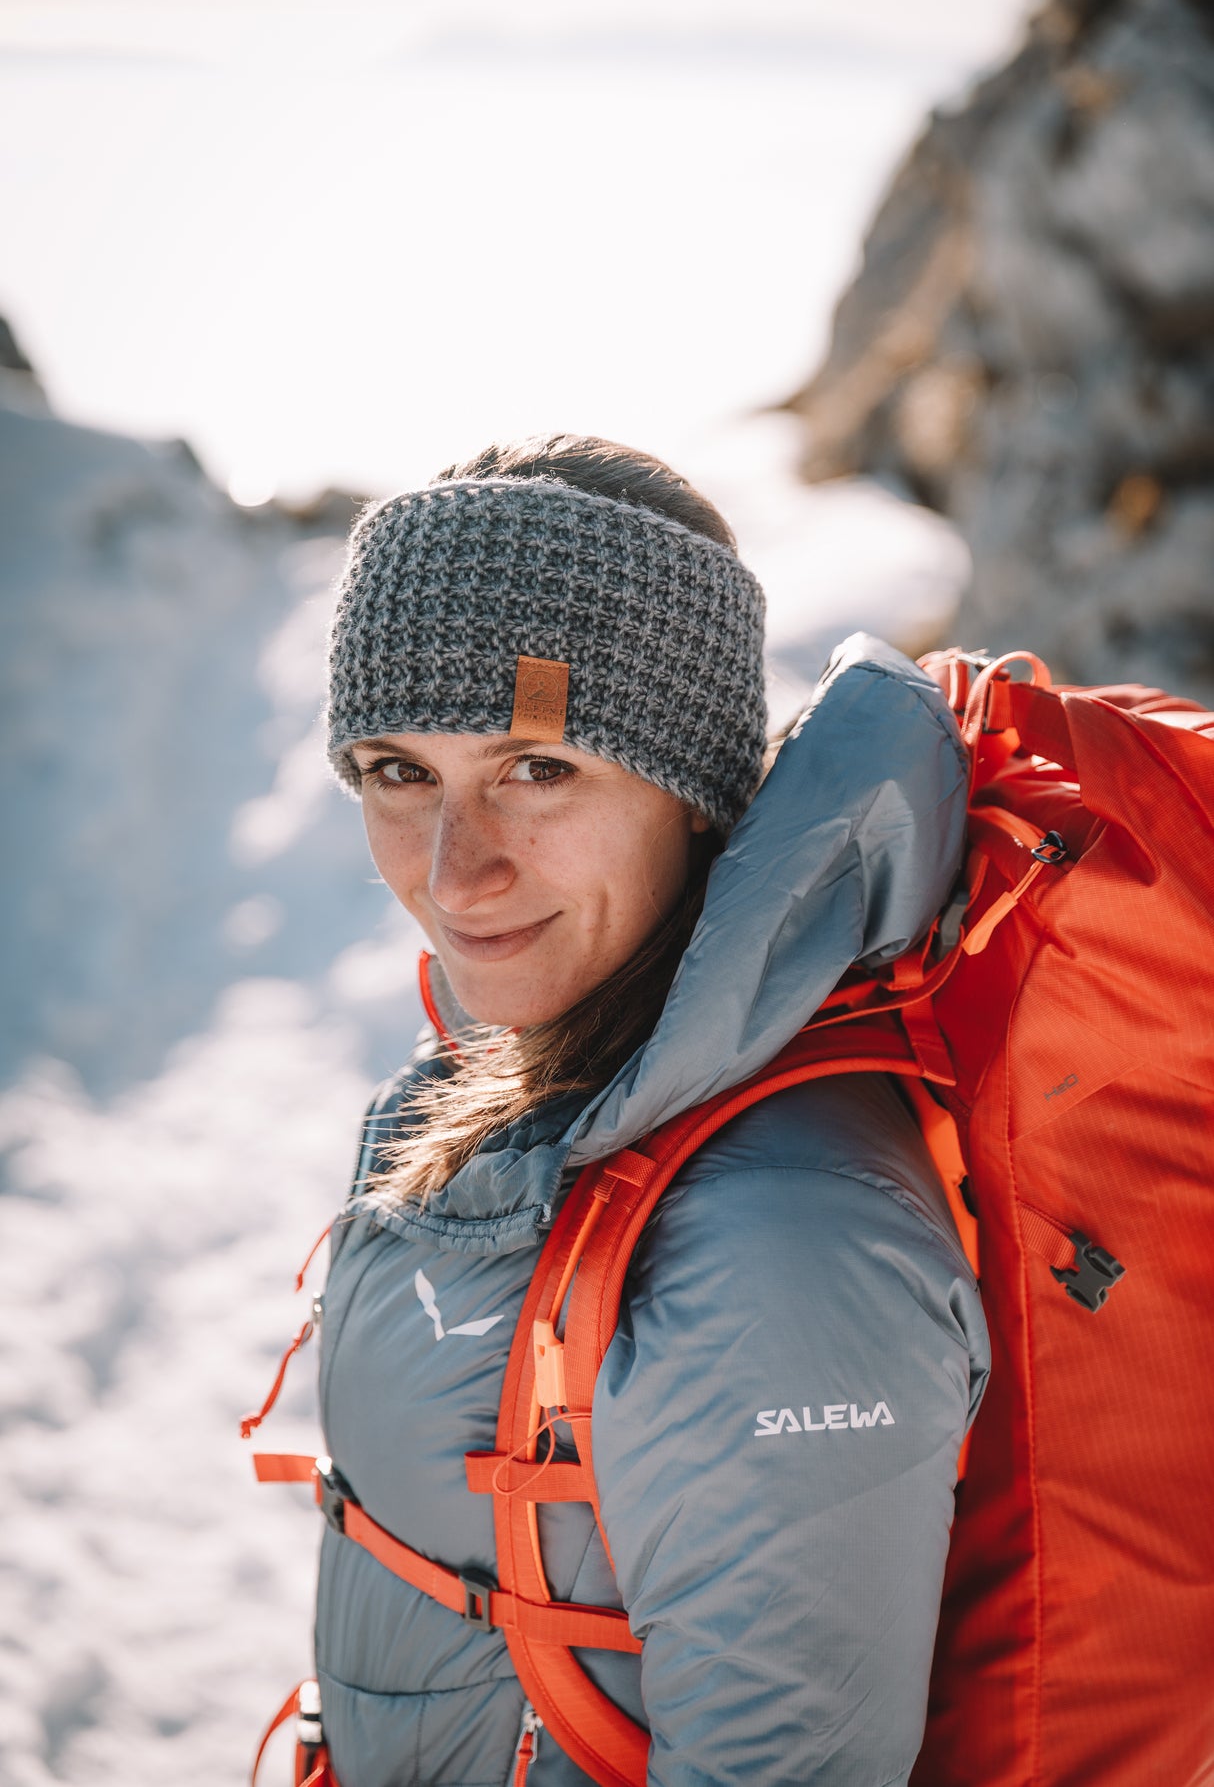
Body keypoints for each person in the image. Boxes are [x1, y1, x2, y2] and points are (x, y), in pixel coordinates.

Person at [314, 434, 990, 1786]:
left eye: (539, 766)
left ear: (692, 793)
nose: (456, 872)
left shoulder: (771, 1244)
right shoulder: (513, 1088)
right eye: (399, 770)